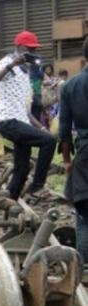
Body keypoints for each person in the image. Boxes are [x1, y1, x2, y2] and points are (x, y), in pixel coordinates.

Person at [0, 30, 56, 199]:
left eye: (34, 50)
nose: (32, 52)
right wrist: (12, 65)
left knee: (22, 168)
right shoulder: (7, 62)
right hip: (8, 121)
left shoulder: (27, 73)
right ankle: (37, 186)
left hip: (20, 121)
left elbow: (24, 110)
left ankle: (9, 199)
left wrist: (40, 127)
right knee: (48, 142)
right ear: (18, 47)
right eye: (28, 49)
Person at [59, 37, 88, 262]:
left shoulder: (70, 86)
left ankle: (85, 269)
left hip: (85, 153)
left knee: (84, 216)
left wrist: (67, 160)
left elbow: (64, 129)